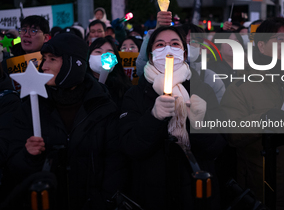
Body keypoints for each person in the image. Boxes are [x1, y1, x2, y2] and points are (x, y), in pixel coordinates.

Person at [5, 33, 127, 209]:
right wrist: (28, 156)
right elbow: (13, 167)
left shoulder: (102, 106)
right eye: (43, 59)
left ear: (73, 64)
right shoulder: (30, 107)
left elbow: (116, 167)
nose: (44, 66)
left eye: (52, 59)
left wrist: (103, 202)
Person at [119, 26, 226, 210]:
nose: (168, 49)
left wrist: (199, 125)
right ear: (151, 56)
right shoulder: (135, 95)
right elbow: (130, 146)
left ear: (184, 54)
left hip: (196, 193)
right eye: (160, 45)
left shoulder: (203, 90)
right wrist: (153, 118)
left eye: (174, 44)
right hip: (151, 196)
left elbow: (218, 148)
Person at [220, 17, 284, 209]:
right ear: (261, 46)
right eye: (280, 39)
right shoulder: (241, 86)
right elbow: (231, 133)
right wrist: (263, 120)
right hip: (261, 188)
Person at [181, 23, 226, 103]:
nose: (187, 46)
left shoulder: (211, 79)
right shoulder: (162, 75)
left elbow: (220, 110)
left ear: (201, 49)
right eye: (182, 41)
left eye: (192, 42)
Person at [88, 36, 132, 109]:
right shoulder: (80, 84)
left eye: (109, 52)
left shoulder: (125, 86)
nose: (104, 56)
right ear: (89, 56)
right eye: (98, 52)